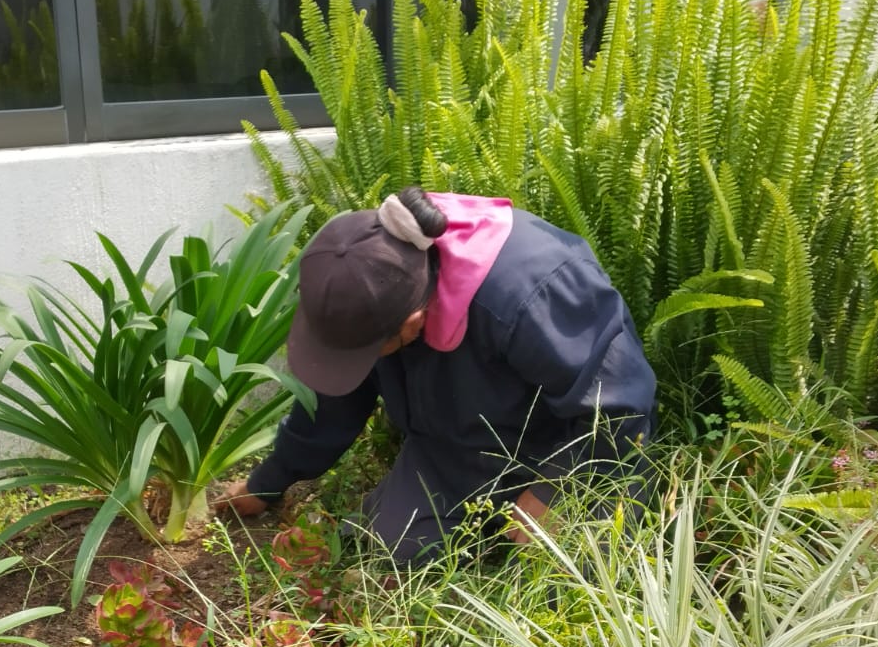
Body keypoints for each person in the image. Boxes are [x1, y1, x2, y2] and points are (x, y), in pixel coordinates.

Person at [218, 188, 657, 562]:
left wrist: (554, 491)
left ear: (410, 322)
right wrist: (269, 482)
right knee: (388, 548)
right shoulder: (363, 288)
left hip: (573, 447)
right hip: (457, 449)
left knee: (572, 566)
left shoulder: (532, 288)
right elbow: (334, 400)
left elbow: (619, 405)